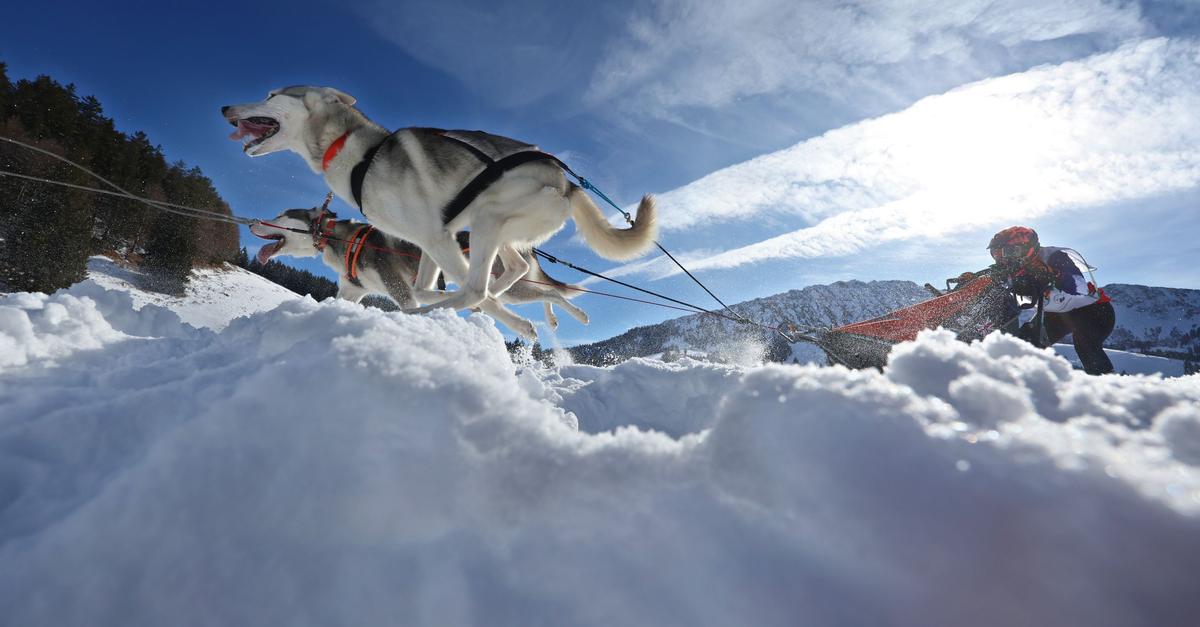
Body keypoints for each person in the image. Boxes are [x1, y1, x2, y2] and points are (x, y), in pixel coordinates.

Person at [987, 226, 1116, 375]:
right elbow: (1007, 293)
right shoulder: (1013, 269)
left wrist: (1053, 273)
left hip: (1093, 311)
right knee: (1024, 344)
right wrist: (973, 280)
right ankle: (1014, 384)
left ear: (1025, 248)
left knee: (1085, 344)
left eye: (1007, 252)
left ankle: (1109, 389)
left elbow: (1080, 287)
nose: (1002, 259)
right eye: (995, 255)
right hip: (1058, 315)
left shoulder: (1054, 256)